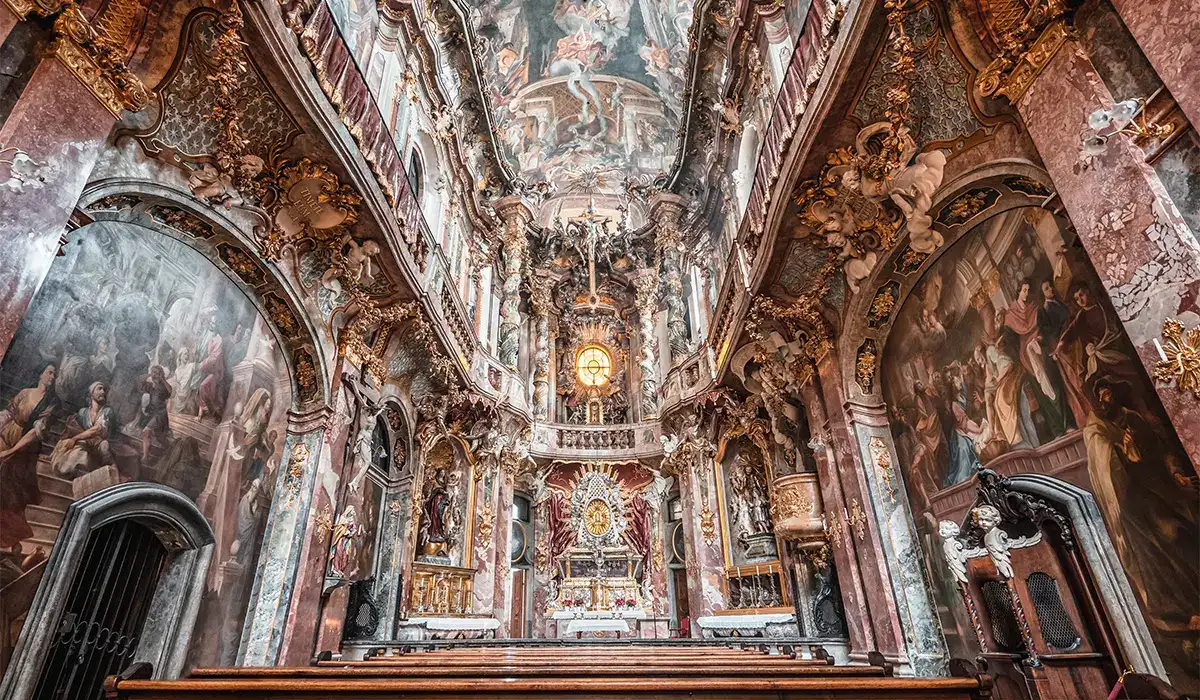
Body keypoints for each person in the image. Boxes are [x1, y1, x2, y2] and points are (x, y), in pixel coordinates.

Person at [0, 363, 58, 549]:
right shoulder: (25, 392)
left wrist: (11, 451)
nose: (52, 377)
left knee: (11, 487)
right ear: (41, 374)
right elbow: (9, 413)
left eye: (55, 374)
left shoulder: (52, 402)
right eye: (49, 372)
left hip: (25, 447)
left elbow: (36, 431)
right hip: (5, 435)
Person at [49, 381, 117, 477]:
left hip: (99, 446)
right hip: (85, 443)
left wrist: (75, 438)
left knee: (104, 445)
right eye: (99, 389)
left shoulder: (107, 411)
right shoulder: (83, 412)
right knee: (72, 450)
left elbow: (97, 430)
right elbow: (71, 429)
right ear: (91, 393)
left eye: (104, 390)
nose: (103, 392)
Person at [137, 365, 172, 462]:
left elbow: (170, 391)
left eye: (157, 373)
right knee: (159, 437)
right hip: (152, 412)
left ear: (161, 374)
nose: (154, 375)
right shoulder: (150, 385)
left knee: (147, 432)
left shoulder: (163, 386)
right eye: (154, 373)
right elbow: (140, 379)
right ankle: (146, 456)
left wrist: (163, 379)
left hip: (160, 413)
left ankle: (146, 456)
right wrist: (150, 374)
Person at [194, 316, 226, 420]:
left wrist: (201, 365)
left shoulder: (218, 339)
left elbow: (214, 358)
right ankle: (200, 413)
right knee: (195, 386)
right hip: (205, 370)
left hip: (215, 371)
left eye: (214, 323)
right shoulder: (208, 335)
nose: (212, 325)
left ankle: (209, 411)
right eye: (211, 323)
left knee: (204, 386)